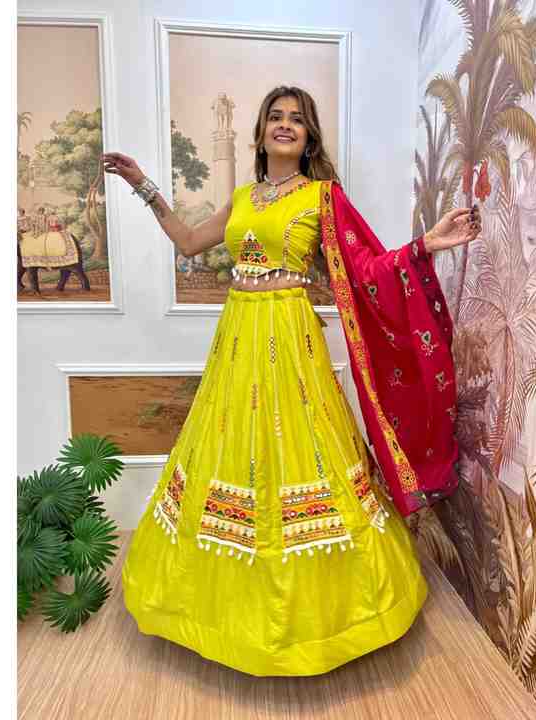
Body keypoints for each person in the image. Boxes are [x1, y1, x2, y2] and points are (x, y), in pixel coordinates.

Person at [103, 85, 481, 677]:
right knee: (233, 446)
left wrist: (426, 243)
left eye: (297, 119)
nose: (285, 125)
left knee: (299, 446)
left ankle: (329, 607)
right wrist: (143, 184)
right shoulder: (242, 198)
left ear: (308, 138)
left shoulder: (323, 196)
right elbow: (189, 242)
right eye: (275, 117)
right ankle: (218, 603)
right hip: (238, 338)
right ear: (260, 133)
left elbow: (366, 268)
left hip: (291, 337)